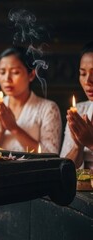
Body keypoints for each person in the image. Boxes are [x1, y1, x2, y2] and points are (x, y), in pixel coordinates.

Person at [0, 46, 61, 153]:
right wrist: (1, 129)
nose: (7, 79)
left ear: (31, 75)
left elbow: (51, 156)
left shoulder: (48, 108)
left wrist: (14, 128)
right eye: (2, 72)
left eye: (15, 72)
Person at [60, 41, 93, 169]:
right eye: (83, 73)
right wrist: (77, 146)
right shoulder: (79, 111)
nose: (87, 81)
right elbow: (63, 168)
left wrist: (90, 143)